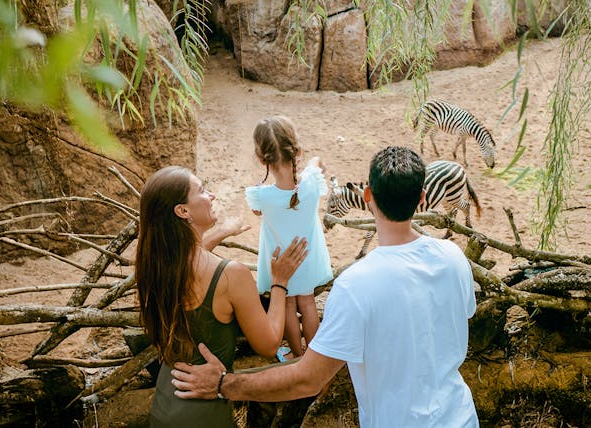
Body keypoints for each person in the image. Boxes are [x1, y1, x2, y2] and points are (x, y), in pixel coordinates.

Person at [170, 146, 480, 427]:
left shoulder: (357, 284)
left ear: (368, 195)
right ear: (423, 198)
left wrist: (224, 384)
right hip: (462, 418)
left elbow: (308, 379)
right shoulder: (454, 257)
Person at [135, 165, 309, 427]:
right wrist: (279, 282)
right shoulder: (231, 275)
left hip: (165, 406)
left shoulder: (153, 267)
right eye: (202, 190)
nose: (212, 196)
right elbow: (270, 343)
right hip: (205, 414)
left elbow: (192, 255)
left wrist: (223, 231)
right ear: (182, 211)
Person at [244, 115, 333, 360]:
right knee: (308, 303)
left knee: (288, 305)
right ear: (297, 150)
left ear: (262, 158)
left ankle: (297, 354)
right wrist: (312, 163)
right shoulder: (312, 182)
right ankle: (315, 356)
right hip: (308, 258)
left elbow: (257, 210)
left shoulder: (260, 196)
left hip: (281, 264)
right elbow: (318, 163)